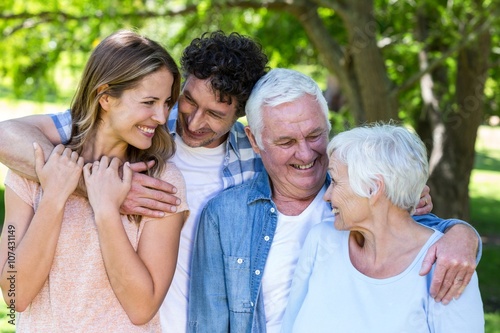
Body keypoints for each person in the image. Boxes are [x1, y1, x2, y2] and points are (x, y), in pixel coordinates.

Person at [0, 31, 269, 332]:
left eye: (166, 102)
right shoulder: (36, 165)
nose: (166, 116)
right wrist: (67, 188)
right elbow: (14, 295)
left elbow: (142, 307)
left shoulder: (165, 179)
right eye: (184, 102)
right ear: (105, 97)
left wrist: (106, 208)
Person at [187, 68, 481, 333]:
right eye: (286, 142)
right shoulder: (224, 216)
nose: (305, 154)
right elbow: (208, 326)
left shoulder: (366, 193)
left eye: (315, 135)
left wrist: (464, 235)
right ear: (254, 140)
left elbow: (421, 235)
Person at [280, 123, 484, 332]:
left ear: (373, 188)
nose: (327, 195)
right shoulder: (322, 239)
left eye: (336, 181)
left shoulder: (446, 266)